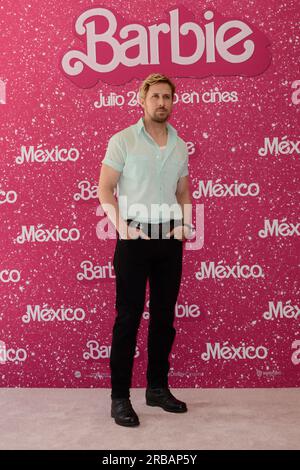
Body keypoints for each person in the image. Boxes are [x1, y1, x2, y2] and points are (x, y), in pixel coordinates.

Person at [98, 73, 194, 427]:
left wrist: (185, 224)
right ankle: (119, 397)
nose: (161, 103)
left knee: (165, 319)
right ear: (142, 99)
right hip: (134, 240)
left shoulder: (179, 145)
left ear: (173, 101)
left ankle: (157, 388)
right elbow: (105, 190)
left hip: (169, 240)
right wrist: (122, 228)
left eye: (167, 97)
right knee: (128, 319)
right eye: (155, 96)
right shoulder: (122, 140)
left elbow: (183, 190)